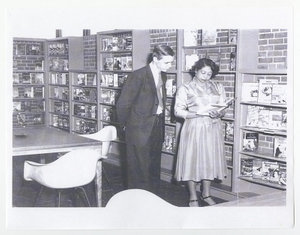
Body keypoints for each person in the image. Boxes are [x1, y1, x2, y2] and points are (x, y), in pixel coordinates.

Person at [116, 44, 175, 194]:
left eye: (171, 62)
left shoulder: (163, 75)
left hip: (156, 125)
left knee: (154, 166)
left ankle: (152, 199)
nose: (170, 66)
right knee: (138, 170)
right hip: (138, 128)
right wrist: (127, 127)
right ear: (155, 59)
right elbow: (123, 105)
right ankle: (137, 203)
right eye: (166, 62)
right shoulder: (137, 76)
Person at [174, 58, 228, 207]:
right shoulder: (185, 88)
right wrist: (198, 113)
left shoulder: (218, 86)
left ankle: (206, 194)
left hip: (213, 128)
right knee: (192, 161)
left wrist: (219, 113)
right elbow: (178, 111)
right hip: (194, 128)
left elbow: (223, 108)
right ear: (196, 71)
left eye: (209, 73)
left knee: (209, 160)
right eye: (203, 72)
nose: (206, 76)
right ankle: (193, 197)